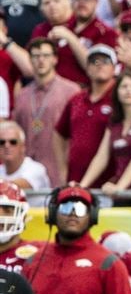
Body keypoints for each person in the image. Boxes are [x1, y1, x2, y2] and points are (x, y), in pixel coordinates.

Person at [79, 72, 131, 196]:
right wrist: (82, 186)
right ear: (116, 92)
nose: (128, 90)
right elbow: (101, 157)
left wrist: (120, 188)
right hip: (121, 189)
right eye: (124, 87)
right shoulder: (114, 121)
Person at [14, 37, 81, 187]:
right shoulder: (23, 95)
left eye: (46, 56)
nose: (41, 60)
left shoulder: (71, 91)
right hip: (28, 174)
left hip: (58, 168)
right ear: (30, 60)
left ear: (55, 59)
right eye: (36, 56)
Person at [54, 44, 116, 185]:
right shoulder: (76, 99)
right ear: (87, 68)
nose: (99, 66)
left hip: (108, 183)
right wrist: (63, 170)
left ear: (114, 68)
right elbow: (58, 133)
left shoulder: (119, 99)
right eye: (94, 62)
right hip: (75, 179)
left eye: (105, 62)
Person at [0, 121, 51, 193]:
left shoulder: (36, 169)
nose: (7, 146)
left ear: (23, 146)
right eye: (2, 142)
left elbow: (15, 187)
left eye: (13, 142)